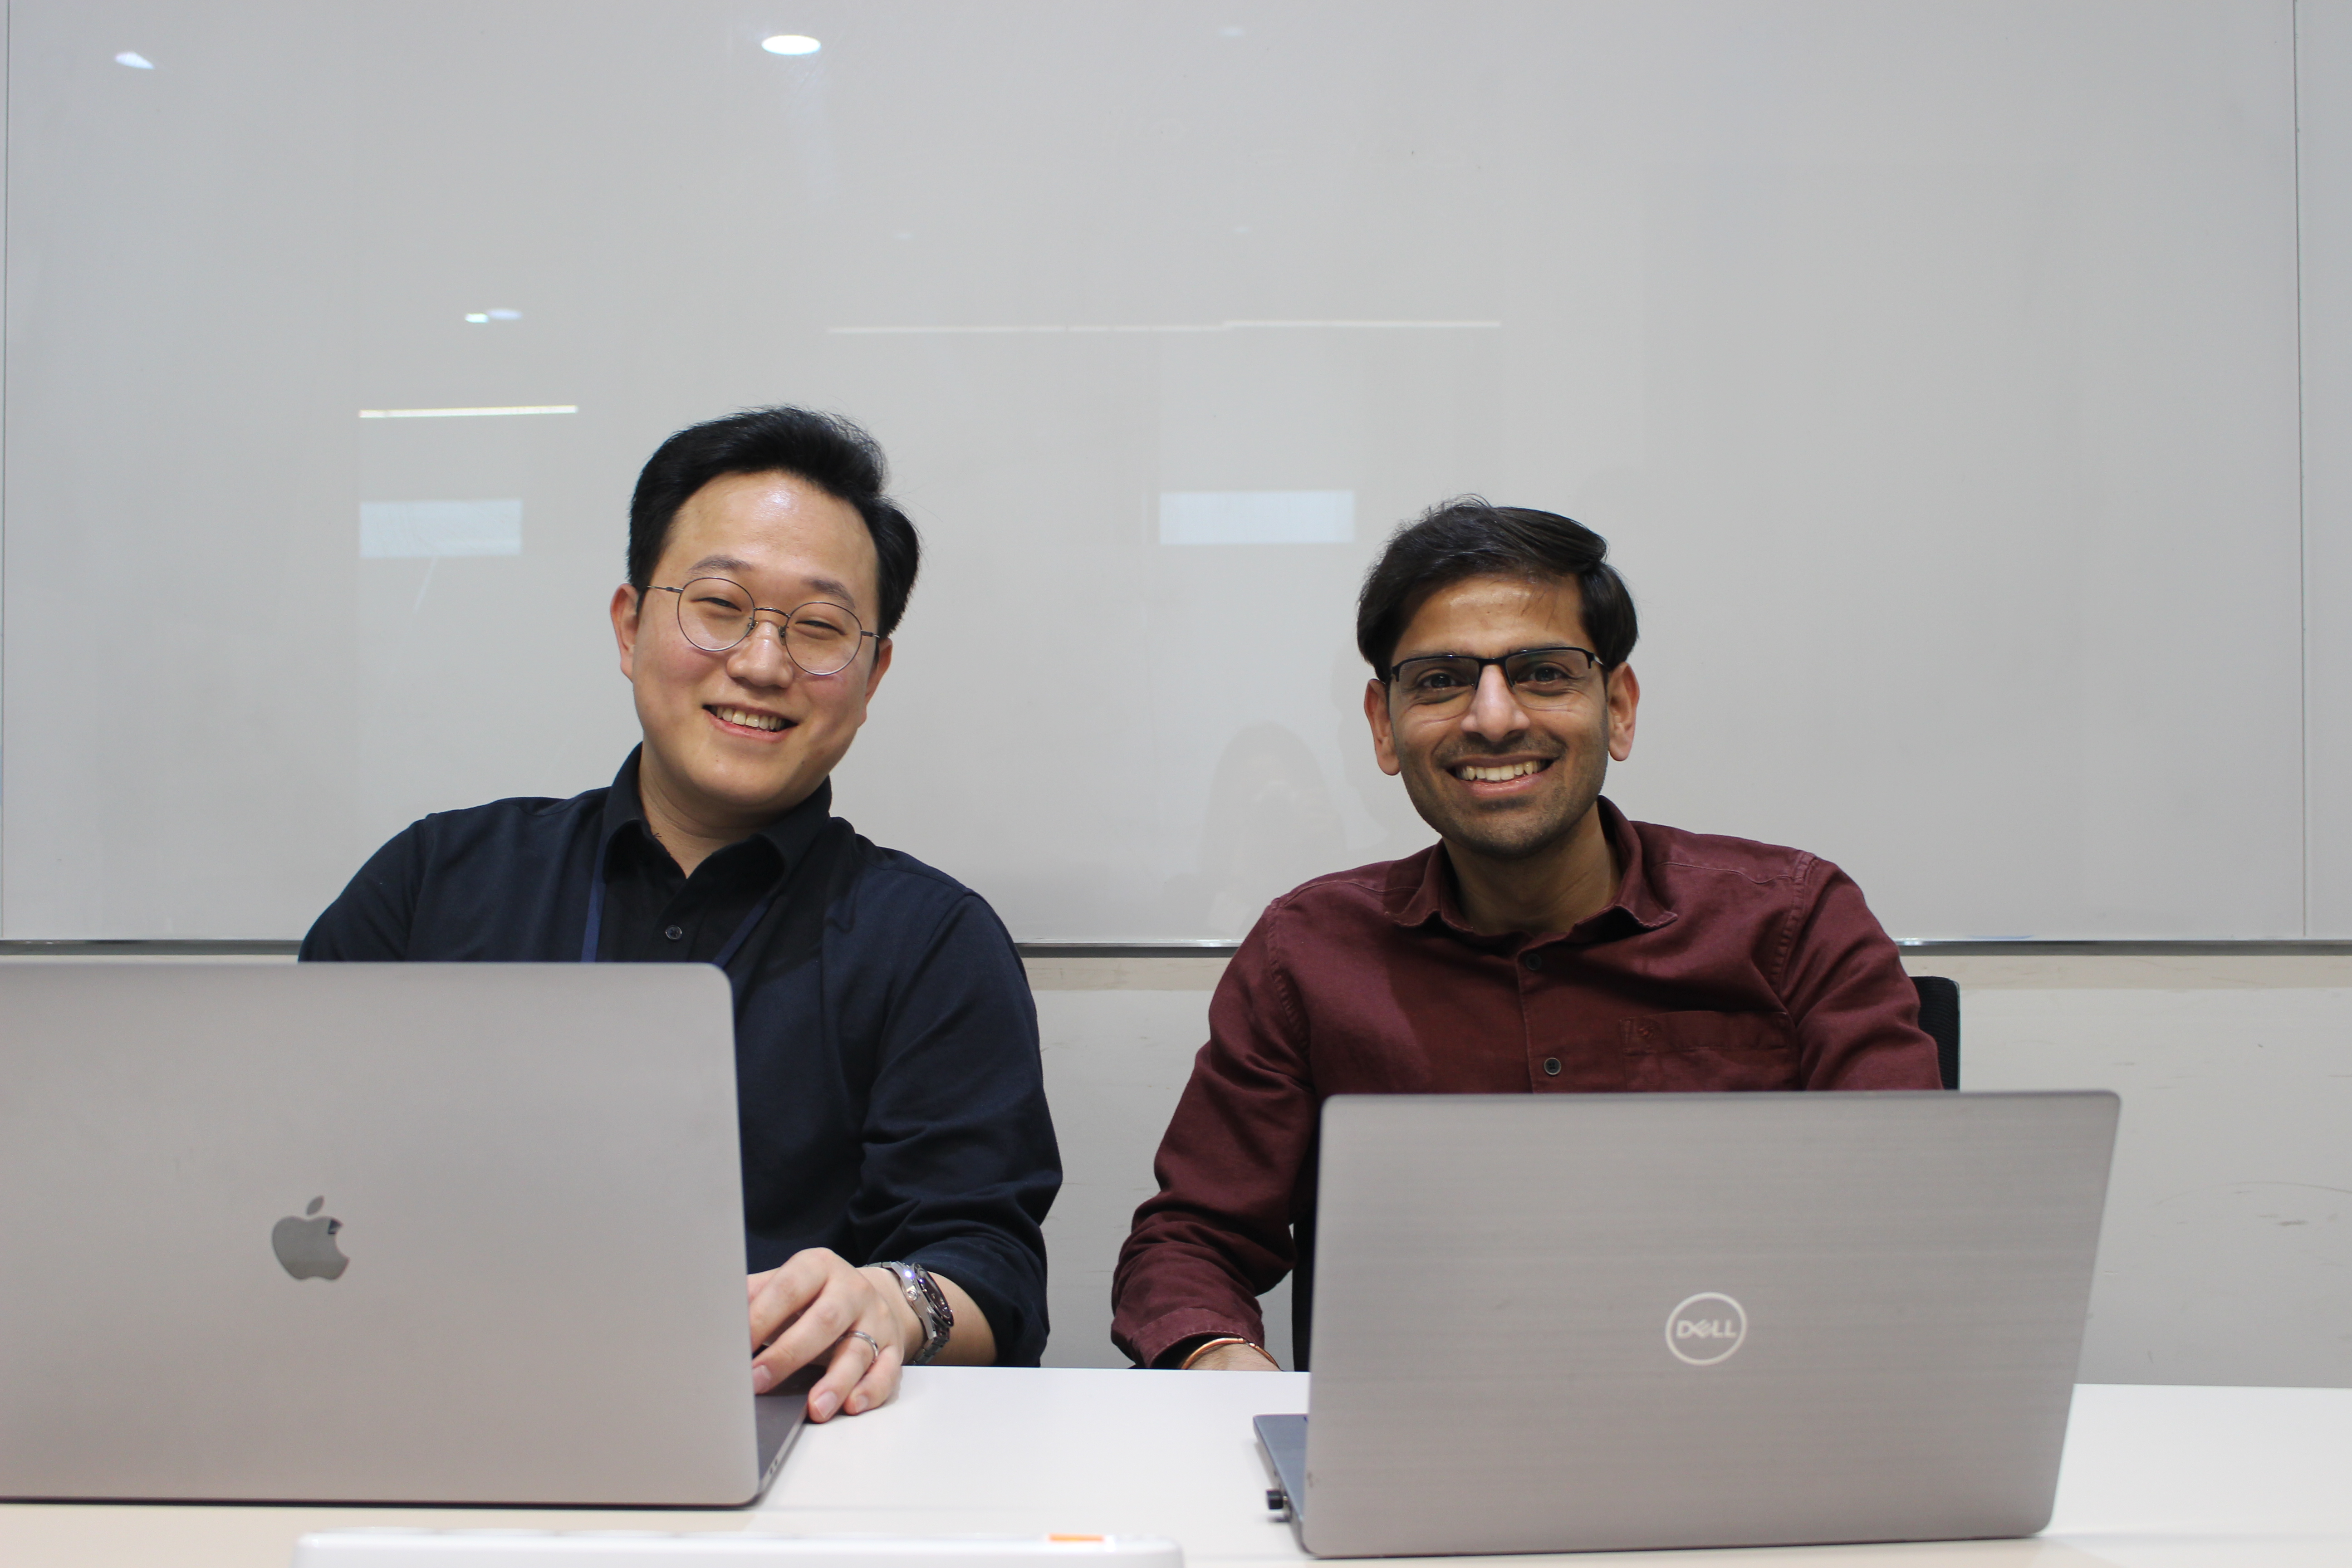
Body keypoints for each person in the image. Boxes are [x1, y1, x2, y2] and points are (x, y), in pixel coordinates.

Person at [304, 407, 1060, 1420]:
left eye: (820, 628)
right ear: (629, 625)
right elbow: (278, 1166)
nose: (760, 662)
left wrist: (893, 1299)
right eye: (721, 606)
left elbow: (990, 1269)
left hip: (768, 1428)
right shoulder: (437, 881)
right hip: (414, 1404)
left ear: (873, 675)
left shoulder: (930, 942)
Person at [1110, 499, 1940, 1372]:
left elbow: (1912, 1214)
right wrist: (1221, 1360)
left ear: (1618, 707)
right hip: (1420, 1454)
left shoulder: (1792, 923)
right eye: (1440, 680)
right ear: (1384, 726)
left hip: (1751, 1428)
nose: (1494, 718)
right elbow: (1190, 1244)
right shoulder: (1306, 956)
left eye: (1544, 672)